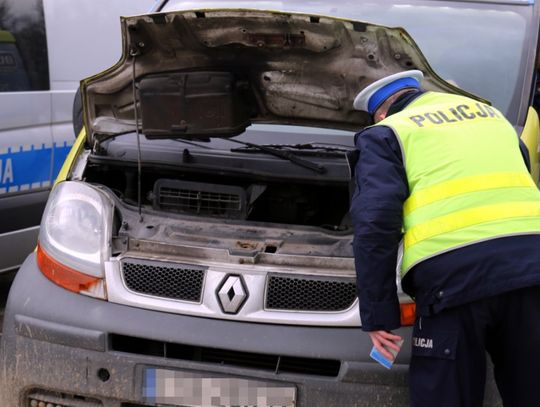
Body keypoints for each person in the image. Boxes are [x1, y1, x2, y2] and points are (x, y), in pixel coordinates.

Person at [350, 70, 540, 406]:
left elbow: (376, 222)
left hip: (453, 281)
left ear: (380, 113)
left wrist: (379, 315)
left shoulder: (389, 132)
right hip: (531, 268)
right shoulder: (493, 118)